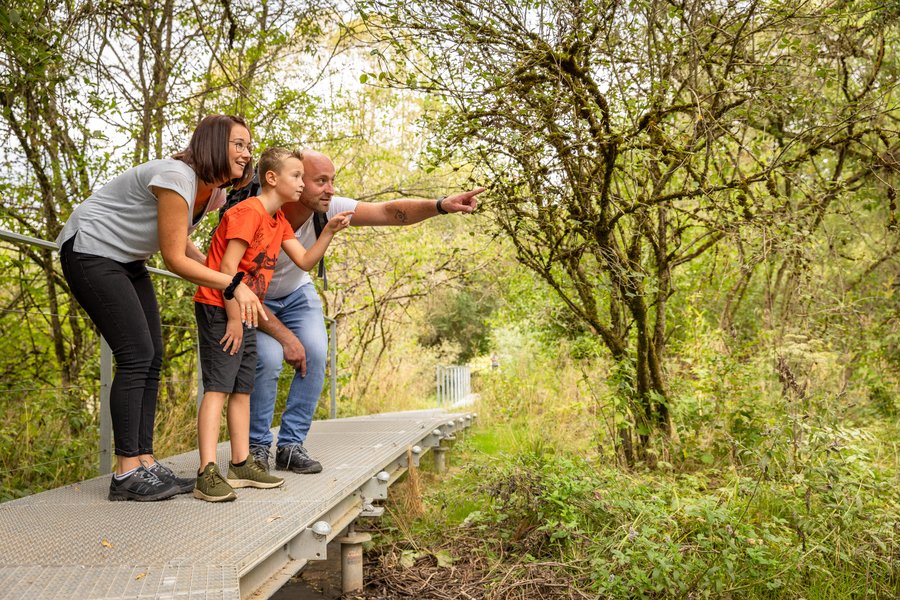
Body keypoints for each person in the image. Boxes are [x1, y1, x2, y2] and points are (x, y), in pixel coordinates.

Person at [57, 114, 267, 502]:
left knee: (153, 356)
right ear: (213, 144)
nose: (246, 153)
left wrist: (220, 280)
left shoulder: (214, 191)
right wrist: (234, 285)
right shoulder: (177, 176)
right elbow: (172, 258)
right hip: (90, 250)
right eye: (239, 144)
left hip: (127, 259)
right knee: (135, 353)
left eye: (249, 146)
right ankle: (125, 473)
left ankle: (145, 462)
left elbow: (182, 242)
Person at [245, 150, 484, 474]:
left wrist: (440, 205)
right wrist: (286, 337)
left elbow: (388, 211)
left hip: (297, 293)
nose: (330, 189)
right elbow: (237, 284)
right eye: (320, 181)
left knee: (315, 350)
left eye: (332, 181)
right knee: (269, 357)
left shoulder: (327, 209)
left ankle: (290, 446)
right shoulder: (259, 210)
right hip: (253, 298)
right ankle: (257, 447)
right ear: (295, 179)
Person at [191, 147, 352, 501]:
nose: (302, 183)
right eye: (297, 176)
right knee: (218, 388)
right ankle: (206, 472)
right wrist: (234, 318)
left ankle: (241, 463)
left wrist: (330, 233)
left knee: (243, 388)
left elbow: (306, 262)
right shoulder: (247, 213)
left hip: (246, 309)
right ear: (272, 178)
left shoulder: (278, 221)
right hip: (221, 307)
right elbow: (226, 270)